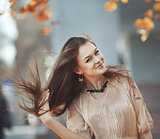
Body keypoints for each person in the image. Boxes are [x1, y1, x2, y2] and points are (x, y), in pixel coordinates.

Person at [13, 37, 153, 139]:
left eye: (96, 52)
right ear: (78, 69)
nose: (98, 60)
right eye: (88, 59)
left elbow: (145, 130)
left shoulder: (125, 82)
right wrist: (49, 122)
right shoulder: (76, 103)